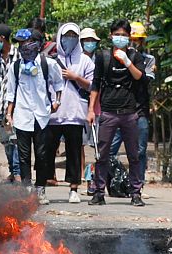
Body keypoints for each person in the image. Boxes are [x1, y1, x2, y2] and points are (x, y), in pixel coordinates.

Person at [87, 19, 146, 206]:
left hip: (129, 112)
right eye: (117, 35)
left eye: (124, 35)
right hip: (108, 111)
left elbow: (139, 77)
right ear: (111, 36)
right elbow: (95, 83)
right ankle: (98, 192)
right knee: (102, 154)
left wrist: (127, 61)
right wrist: (91, 110)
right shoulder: (102, 56)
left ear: (129, 37)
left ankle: (136, 192)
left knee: (133, 154)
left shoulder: (135, 56)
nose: (120, 38)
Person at [4, 28, 63, 204]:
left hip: (41, 115)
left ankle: (40, 189)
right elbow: (11, 92)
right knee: (23, 155)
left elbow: (59, 83)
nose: (24, 47)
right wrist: (9, 113)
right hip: (22, 115)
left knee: (42, 154)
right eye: (20, 43)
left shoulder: (48, 64)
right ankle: (27, 190)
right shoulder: (15, 66)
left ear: (35, 44)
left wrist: (56, 102)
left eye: (26, 43)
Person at [47, 22, 94, 204]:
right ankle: (42, 184)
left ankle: (73, 188)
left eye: (74, 36)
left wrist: (76, 78)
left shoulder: (85, 60)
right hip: (53, 114)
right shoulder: (50, 60)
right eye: (67, 36)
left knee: (74, 152)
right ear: (60, 37)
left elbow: (92, 85)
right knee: (48, 151)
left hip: (75, 113)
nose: (70, 39)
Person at [108, 21, 155, 188]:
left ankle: (138, 184)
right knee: (108, 150)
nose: (135, 43)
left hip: (139, 111)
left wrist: (129, 62)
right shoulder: (111, 57)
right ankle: (104, 182)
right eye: (132, 39)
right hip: (117, 110)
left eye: (138, 40)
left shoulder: (147, 60)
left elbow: (144, 79)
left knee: (139, 152)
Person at [0, 23, 20, 183]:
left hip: (17, 106)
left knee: (16, 140)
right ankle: (13, 171)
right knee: (6, 141)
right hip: (0, 105)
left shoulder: (19, 55)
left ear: (1, 38)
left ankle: (18, 172)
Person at [80, 27, 101, 193]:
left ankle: (95, 177)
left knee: (98, 145)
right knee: (79, 143)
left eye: (92, 41)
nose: (89, 43)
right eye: (86, 40)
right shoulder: (76, 60)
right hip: (79, 105)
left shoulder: (100, 60)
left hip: (98, 107)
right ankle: (81, 175)